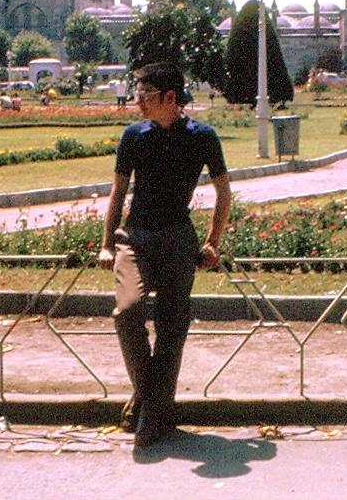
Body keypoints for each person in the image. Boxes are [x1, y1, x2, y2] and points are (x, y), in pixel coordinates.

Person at [97, 61, 231, 447]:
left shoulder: (203, 137)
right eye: (137, 93)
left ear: (170, 98)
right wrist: (107, 243)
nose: (137, 101)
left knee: (173, 328)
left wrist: (212, 242)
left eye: (145, 95)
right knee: (127, 310)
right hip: (134, 239)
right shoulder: (133, 136)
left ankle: (152, 416)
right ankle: (148, 398)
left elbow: (223, 192)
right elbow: (118, 193)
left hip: (177, 239)